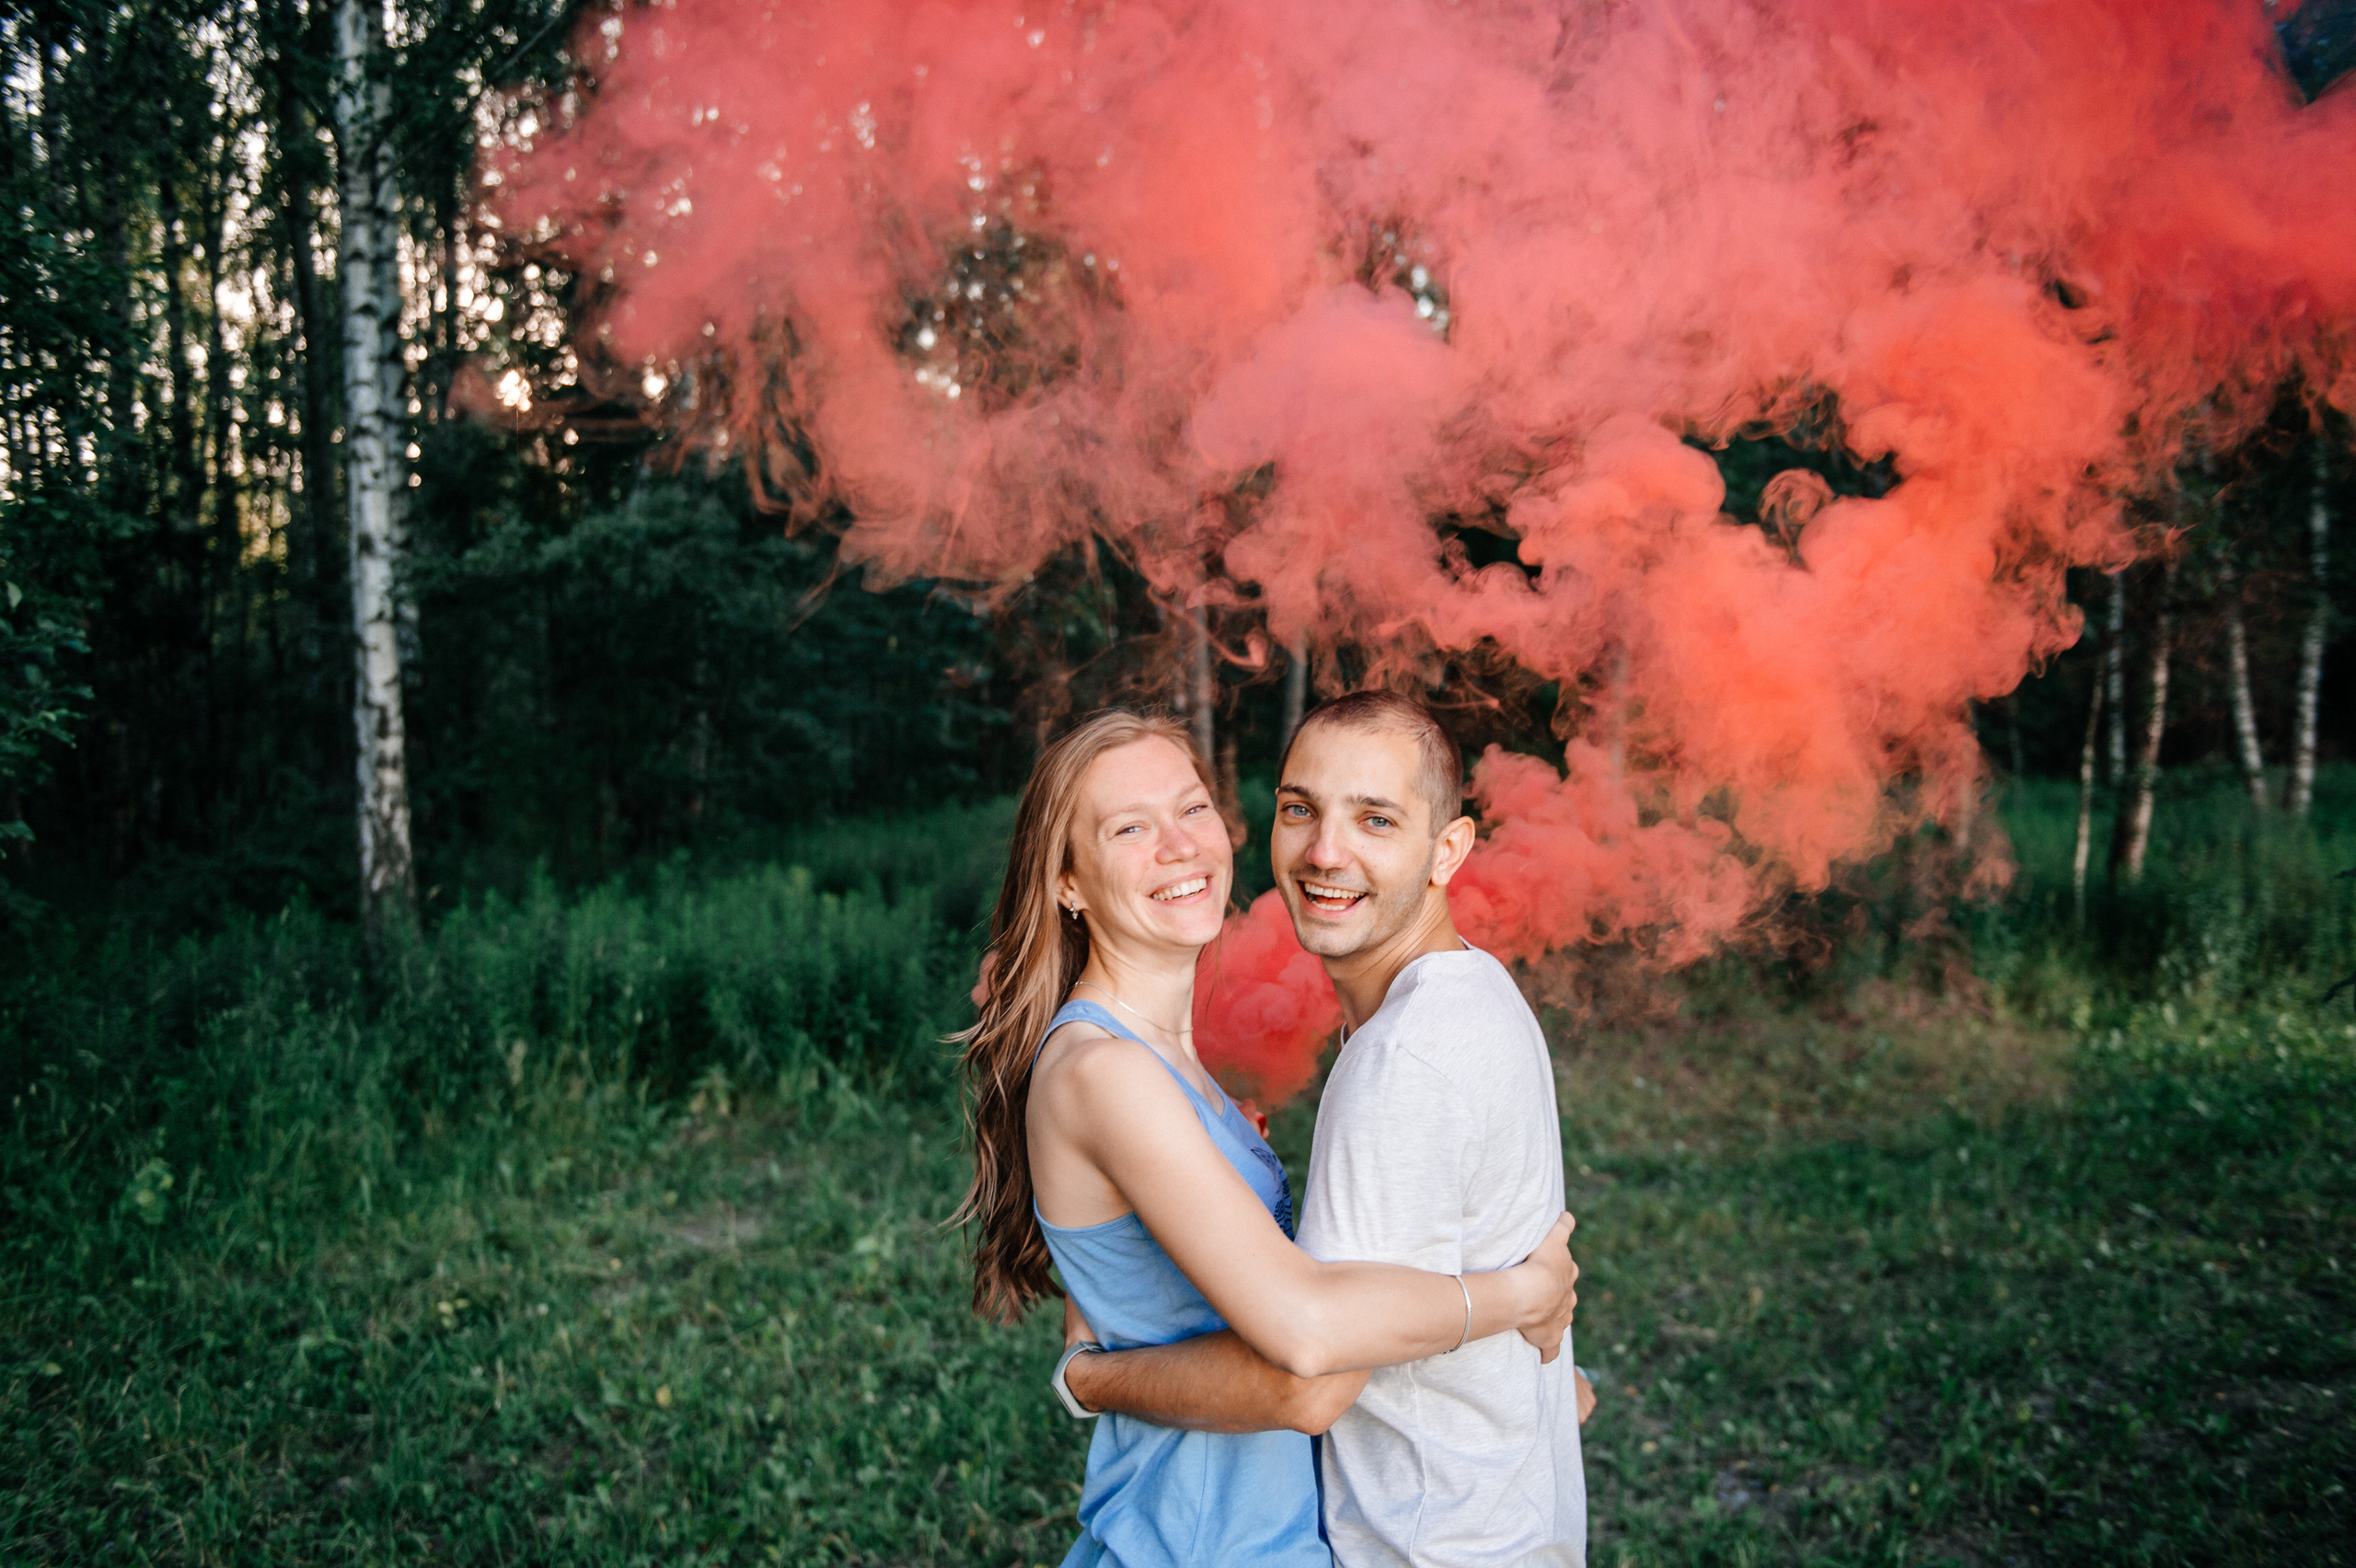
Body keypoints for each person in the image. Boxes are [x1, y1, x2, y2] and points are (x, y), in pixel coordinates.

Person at [954, 708, 1581, 1568]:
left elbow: (1123, 1307)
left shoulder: (1171, 1069)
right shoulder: (1108, 1073)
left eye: (1192, 809)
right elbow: (1306, 1361)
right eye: (1130, 828)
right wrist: (1518, 1298)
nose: (1179, 846)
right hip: (1195, 1545)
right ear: (1067, 881)